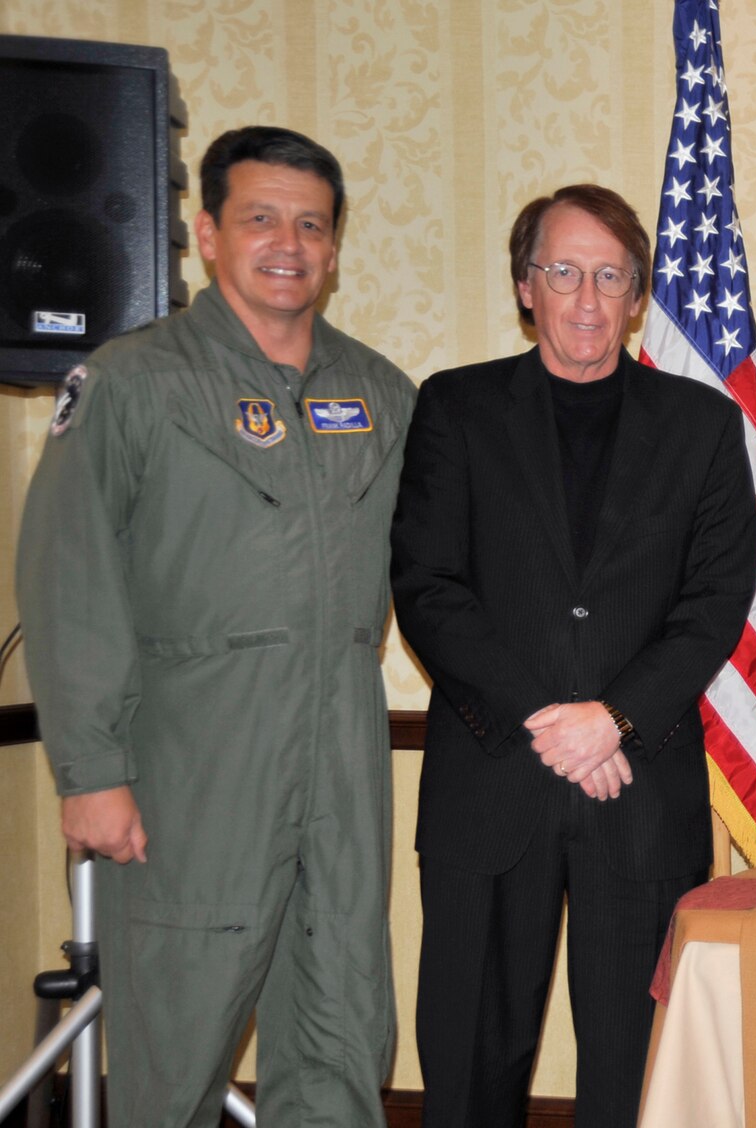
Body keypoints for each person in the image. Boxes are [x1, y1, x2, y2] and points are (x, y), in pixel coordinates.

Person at [15, 125, 414, 1126]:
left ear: (334, 247)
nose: (289, 243)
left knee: (339, 1019)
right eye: (261, 218)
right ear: (205, 232)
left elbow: (447, 570)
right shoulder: (131, 384)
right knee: (177, 1039)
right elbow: (70, 579)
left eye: (312, 224)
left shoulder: (381, 395)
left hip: (341, 750)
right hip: (193, 759)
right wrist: (91, 771)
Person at [391, 184, 756, 1128]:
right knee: (472, 1068)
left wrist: (614, 720)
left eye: (609, 276)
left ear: (637, 294)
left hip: (638, 795)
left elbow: (714, 601)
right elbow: (429, 587)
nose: (587, 299)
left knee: (634, 1080)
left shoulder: (703, 425)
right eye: (564, 273)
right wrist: (550, 723)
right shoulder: (455, 408)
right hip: (492, 786)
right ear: (526, 286)